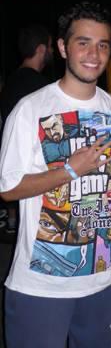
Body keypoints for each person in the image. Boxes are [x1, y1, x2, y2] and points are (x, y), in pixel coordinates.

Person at [0, 2, 111, 348]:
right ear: (61, 47)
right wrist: (69, 170)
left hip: (107, 277)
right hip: (42, 283)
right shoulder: (31, 109)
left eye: (103, 45)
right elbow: (8, 187)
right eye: (83, 43)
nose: (93, 54)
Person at [1, 23, 54, 233]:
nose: (52, 50)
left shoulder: (11, 80)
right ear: (41, 49)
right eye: (50, 46)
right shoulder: (40, 86)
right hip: (34, 172)